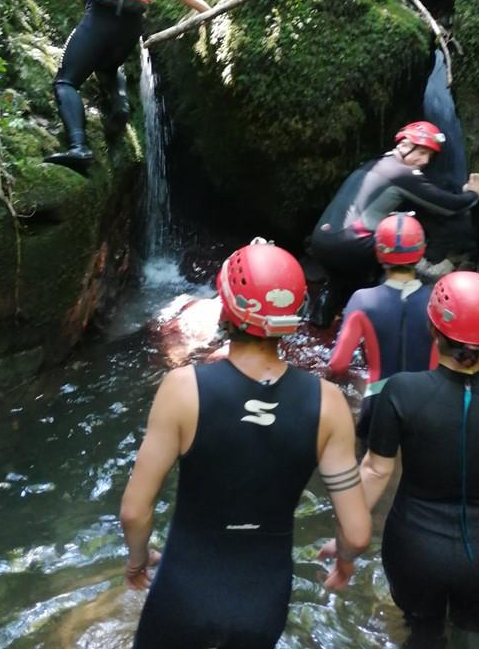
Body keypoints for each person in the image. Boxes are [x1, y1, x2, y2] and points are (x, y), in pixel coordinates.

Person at [120, 238, 371, 649]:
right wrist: (344, 559)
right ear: (296, 312)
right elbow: (358, 534)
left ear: (226, 306)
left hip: (183, 592)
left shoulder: (184, 390)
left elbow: (134, 511)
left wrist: (136, 560)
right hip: (262, 601)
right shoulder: (328, 403)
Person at [358, 271, 479, 646]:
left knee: (422, 630)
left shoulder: (401, 391)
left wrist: (346, 538)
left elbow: (376, 470)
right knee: (475, 627)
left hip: (415, 550)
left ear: (433, 327)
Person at [0, 0, 211, 171]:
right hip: (132, 28)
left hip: (99, 21)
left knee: (65, 82)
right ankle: (120, 105)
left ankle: (79, 147)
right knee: (108, 67)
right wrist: (208, 11)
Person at [309, 121, 479, 326]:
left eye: (429, 155)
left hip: (321, 240)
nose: (424, 160)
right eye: (421, 152)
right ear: (403, 145)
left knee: (338, 282)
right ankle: (371, 327)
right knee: (381, 270)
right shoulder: (402, 173)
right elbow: (448, 206)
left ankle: (320, 324)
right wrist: (473, 194)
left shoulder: (375, 163)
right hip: (353, 246)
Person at [328, 213, 438, 440]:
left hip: (378, 401)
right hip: (427, 404)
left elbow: (338, 364)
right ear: (421, 251)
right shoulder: (437, 299)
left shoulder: (362, 300)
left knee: (371, 468)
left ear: (379, 252)